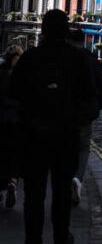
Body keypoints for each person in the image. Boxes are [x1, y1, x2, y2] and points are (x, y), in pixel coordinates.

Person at [11, 10, 97, 244]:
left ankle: (33, 239)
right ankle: (61, 236)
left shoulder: (30, 58)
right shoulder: (77, 60)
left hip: (34, 138)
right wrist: (77, 121)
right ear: (66, 30)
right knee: (60, 194)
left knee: (34, 196)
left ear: (43, 30)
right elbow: (90, 96)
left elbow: (14, 92)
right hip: (65, 137)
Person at [68, 27, 102, 207]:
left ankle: (65, 180)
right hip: (85, 113)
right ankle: (77, 179)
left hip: (62, 113)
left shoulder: (61, 57)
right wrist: (95, 108)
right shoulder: (91, 60)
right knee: (83, 148)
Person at [0, 45, 23, 211]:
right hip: (18, 121)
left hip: (1, 119)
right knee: (16, 154)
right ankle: (13, 182)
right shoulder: (23, 75)